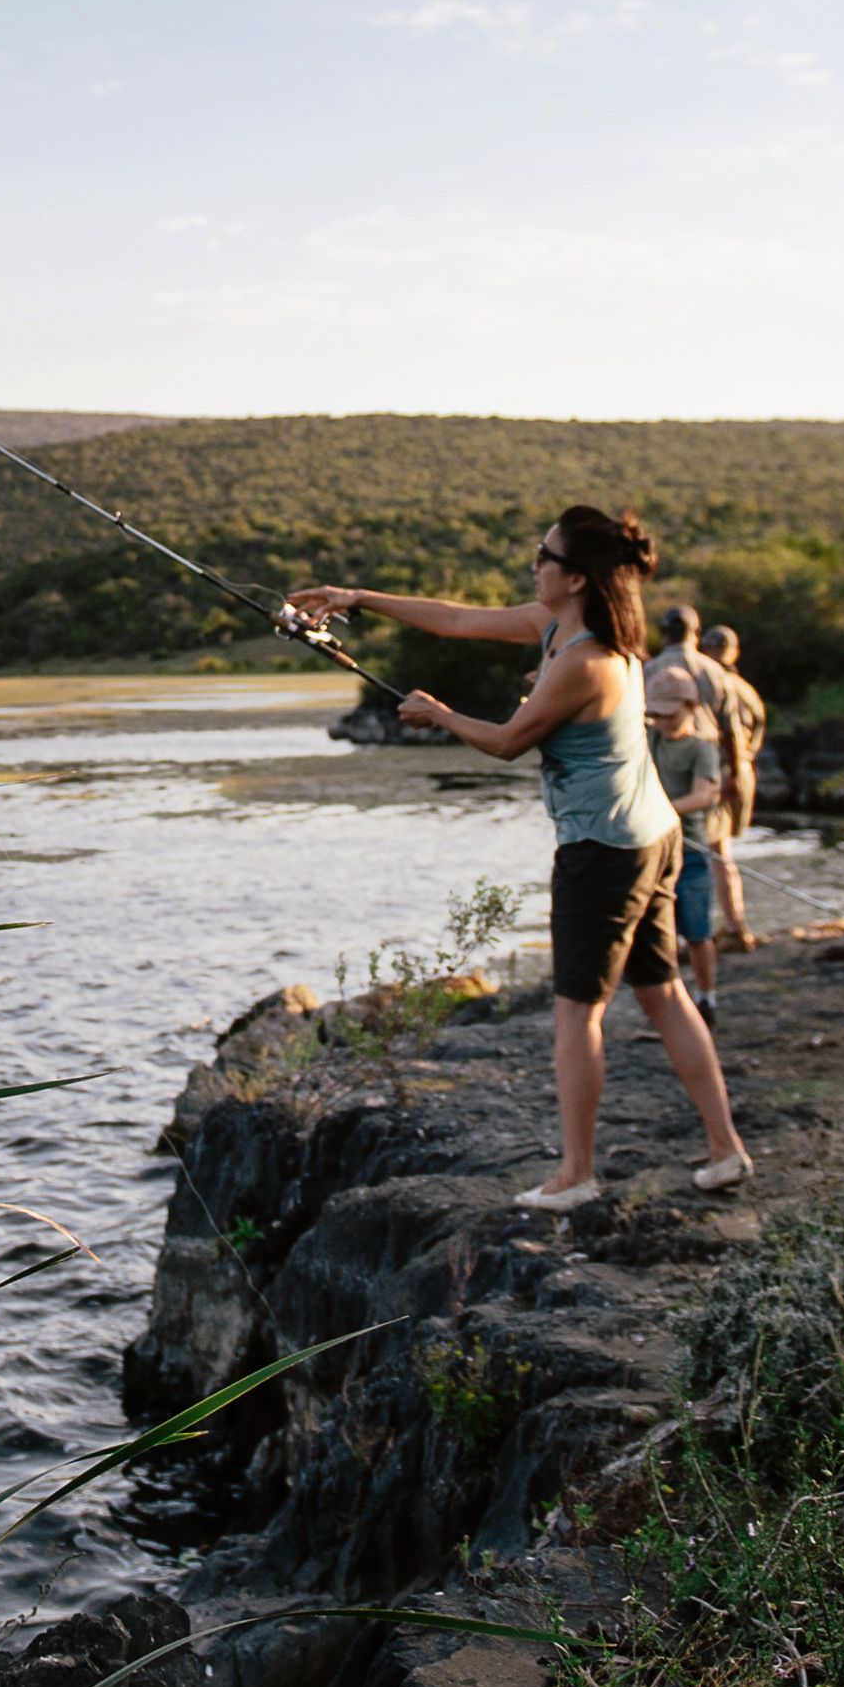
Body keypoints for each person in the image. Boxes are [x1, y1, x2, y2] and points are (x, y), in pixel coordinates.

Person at [288, 509, 753, 1206]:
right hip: (651, 836)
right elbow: (457, 620)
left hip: (606, 850)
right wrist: (357, 598)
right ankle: (726, 1150)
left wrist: (440, 714)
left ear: (576, 577)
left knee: (577, 1013)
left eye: (545, 555)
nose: (534, 564)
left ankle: (576, 1175)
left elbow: (508, 742)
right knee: (662, 992)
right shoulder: (568, 630)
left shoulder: (587, 662)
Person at [647, 664, 727, 1018]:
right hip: (655, 853)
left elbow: (703, 796)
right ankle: (672, 1000)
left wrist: (659, 810)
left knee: (697, 932)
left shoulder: (701, 749)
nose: (663, 722)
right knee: (659, 932)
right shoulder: (650, 738)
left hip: (691, 851)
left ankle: (707, 997)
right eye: (656, 714)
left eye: (670, 714)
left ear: (691, 707)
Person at [700, 621, 769, 952]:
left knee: (714, 853)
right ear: (735, 652)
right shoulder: (747, 690)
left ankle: (731, 926)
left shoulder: (712, 685)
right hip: (743, 772)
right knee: (720, 851)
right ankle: (733, 923)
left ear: (706, 650)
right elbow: (757, 735)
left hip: (721, 775)